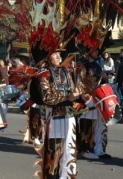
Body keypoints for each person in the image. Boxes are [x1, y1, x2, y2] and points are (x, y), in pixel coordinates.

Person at [33, 50, 90, 178]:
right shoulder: (43, 74)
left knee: (70, 151)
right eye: (54, 54)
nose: (58, 56)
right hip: (54, 117)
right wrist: (68, 98)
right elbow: (47, 98)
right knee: (54, 152)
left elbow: (72, 93)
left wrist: (81, 97)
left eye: (59, 53)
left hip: (69, 117)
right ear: (48, 56)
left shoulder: (66, 71)